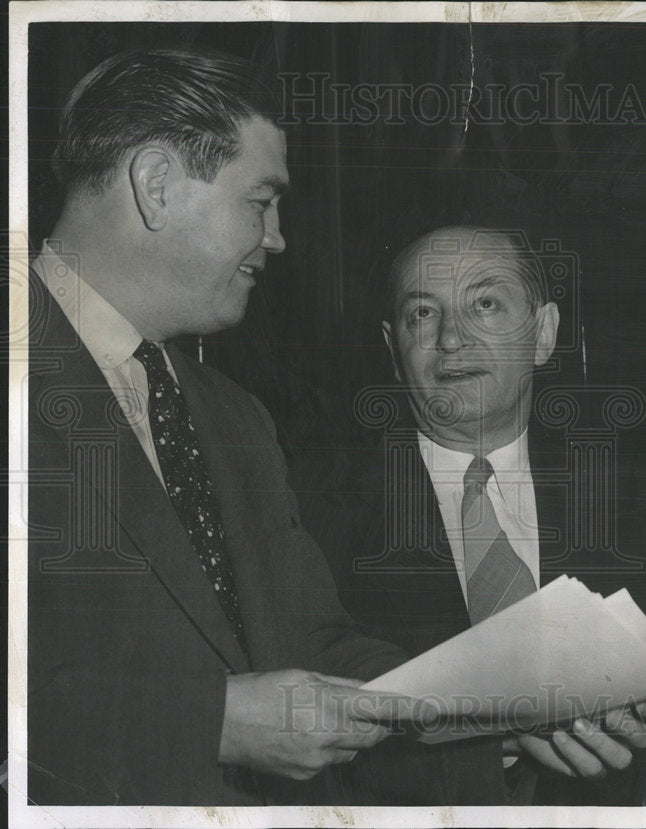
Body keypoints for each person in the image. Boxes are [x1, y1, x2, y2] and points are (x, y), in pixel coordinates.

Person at [27, 46, 418, 806]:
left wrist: (494, 703)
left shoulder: (236, 417)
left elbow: (312, 642)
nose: (277, 237)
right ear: (157, 185)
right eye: (260, 200)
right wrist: (213, 723)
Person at [294, 225, 646, 805]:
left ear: (543, 333)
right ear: (392, 350)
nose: (451, 339)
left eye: (485, 304)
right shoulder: (312, 518)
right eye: (423, 314)